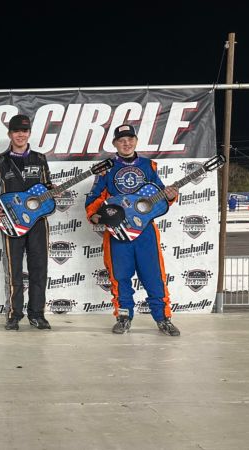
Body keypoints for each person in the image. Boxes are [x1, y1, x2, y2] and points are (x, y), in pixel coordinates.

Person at [85, 124, 181, 336]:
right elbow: (93, 199)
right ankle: (124, 317)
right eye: (121, 140)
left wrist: (171, 195)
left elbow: (160, 197)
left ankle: (163, 318)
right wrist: (95, 215)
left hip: (146, 231)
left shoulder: (149, 166)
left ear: (136, 140)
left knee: (154, 276)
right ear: (114, 144)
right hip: (117, 232)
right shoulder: (105, 168)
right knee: (120, 277)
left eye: (130, 139)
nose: (126, 143)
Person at [0, 114, 52, 331]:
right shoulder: (1, 161)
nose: (20, 135)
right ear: (9, 134)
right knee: (13, 271)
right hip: (12, 221)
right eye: (16, 131)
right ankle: (14, 315)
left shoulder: (40, 159)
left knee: (39, 269)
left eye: (24, 131)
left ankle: (37, 314)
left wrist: (51, 193)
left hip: (38, 222)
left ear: (29, 133)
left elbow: (48, 186)